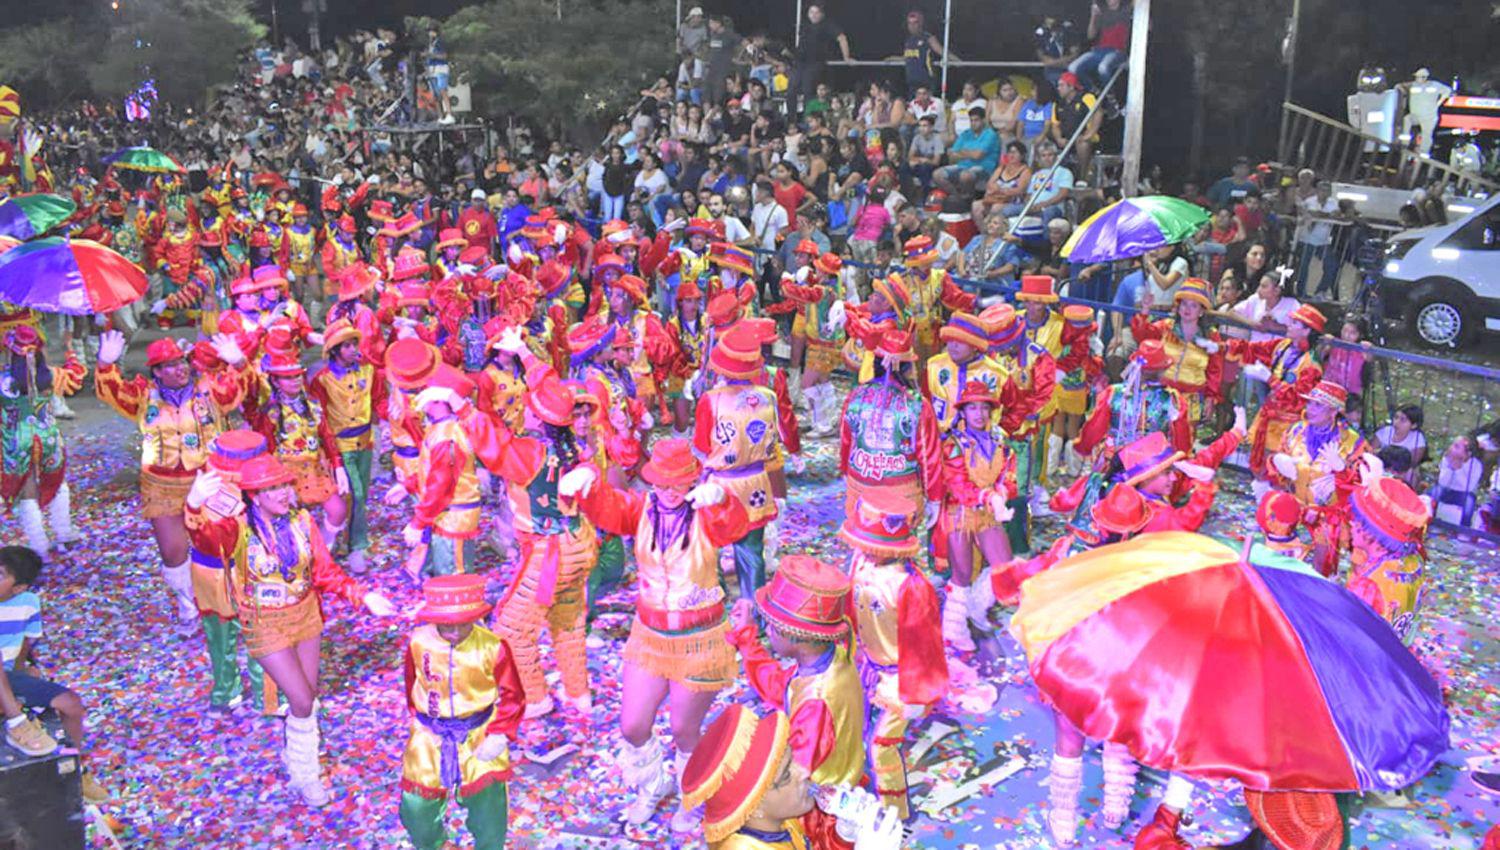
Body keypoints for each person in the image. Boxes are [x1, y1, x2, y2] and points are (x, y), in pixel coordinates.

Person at [561, 438, 750, 832]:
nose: (668, 493)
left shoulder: (704, 513)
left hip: (699, 639)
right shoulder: (641, 508)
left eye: (676, 485)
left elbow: (735, 525)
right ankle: (655, 783)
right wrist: (589, 481)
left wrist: (721, 500)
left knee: (683, 728)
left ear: (691, 482)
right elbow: (609, 507)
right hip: (649, 636)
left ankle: (692, 792)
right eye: (660, 485)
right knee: (632, 725)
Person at [185, 455, 395, 806]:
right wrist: (192, 504)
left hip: (307, 617)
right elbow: (206, 542)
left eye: (284, 484)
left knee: (307, 698)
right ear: (254, 495)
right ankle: (306, 774)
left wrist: (364, 595)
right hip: (265, 625)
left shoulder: (302, 521)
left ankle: (297, 760)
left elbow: (325, 573)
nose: (283, 493)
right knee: (300, 699)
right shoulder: (238, 528)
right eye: (272, 488)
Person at [473, 338, 600, 720]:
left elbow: (490, 444)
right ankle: (579, 694)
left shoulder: (530, 452)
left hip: (550, 552)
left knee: (512, 628)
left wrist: (460, 408)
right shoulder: (575, 445)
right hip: (578, 542)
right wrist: (527, 355)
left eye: (527, 406)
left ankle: (536, 698)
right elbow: (554, 393)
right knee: (567, 620)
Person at [95, 330, 250, 633]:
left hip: (207, 480)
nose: (179, 369)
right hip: (161, 485)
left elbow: (239, 391)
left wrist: (239, 362)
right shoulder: (143, 396)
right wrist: (104, 364)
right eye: (169, 365)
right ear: (156, 372)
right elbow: (113, 392)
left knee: (222, 544)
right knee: (173, 552)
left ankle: (232, 599)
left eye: (181, 362)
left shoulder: (208, 389)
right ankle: (188, 603)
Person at [398, 574, 525, 850]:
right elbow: (412, 683)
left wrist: (500, 733)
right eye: (447, 626)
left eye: (462, 625)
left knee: (489, 805)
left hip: (479, 732)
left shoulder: (493, 646)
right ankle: (436, 845)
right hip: (429, 734)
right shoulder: (419, 643)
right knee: (416, 806)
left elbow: (514, 695)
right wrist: (420, 722)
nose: (455, 633)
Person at [842, 489, 948, 818]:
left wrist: (919, 694)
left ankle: (895, 814)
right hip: (866, 666)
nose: (864, 549)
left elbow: (925, 646)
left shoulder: (911, 587)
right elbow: (849, 608)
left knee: (882, 746)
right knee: (854, 734)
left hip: (899, 678)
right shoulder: (859, 561)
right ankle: (857, 796)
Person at [725, 554, 867, 787]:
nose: (768, 632)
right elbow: (779, 686)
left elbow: (795, 774)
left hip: (817, 798)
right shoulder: (832, 657)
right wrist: (747, 637)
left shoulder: (817, 702)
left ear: (797, 637)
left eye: (773, 626)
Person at [680, 705, 902, 849]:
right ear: (753, 806)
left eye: (793, 759)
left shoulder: (778, 822)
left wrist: (845, 836)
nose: (804, 771)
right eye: (787, 775)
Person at [0, 546, 108, 802]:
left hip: (6, 678)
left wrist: (24, 671)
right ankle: (18, 724)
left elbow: (25, 643)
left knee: (71, 704)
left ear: (19, 588)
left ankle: (77, 772)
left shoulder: (29, 604)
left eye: (1, 575)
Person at [938, 381, 1016, 651]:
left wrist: (1003, 491)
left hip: (989, 513)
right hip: (960, 514)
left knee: (1003, 567)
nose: (979, 414)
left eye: (984, 408)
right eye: (973, 408)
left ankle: (976, 607)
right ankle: (954, 630)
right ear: (963, 412)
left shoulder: (1000, 439)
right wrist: (987, 496)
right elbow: (957, 484)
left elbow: (1009, 473)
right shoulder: (953, 444)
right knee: (960, 576)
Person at [0, 327, 85, 563]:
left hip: (17, 440)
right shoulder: (50, 375)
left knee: (28, 491)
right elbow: (76, 376)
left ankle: (39, 548)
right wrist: (70, 350)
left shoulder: (3, 380)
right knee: (57, 481)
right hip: (48, 438)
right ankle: (63, 532)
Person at [1269, 380, 1368, 577]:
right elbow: (1275, 469)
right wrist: (1280, 466)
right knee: (1280, 562)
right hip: (1294, 508)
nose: (1310, 409)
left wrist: (1341, 471)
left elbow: (1361, 486)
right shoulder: (1295, 431)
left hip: (1327, 517)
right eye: (1310, 403)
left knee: (1320, 570)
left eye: (1318, 405)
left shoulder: (1352, 443)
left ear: (1334, 411)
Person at [1228, 303, 1326, 499]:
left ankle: (1277, 510)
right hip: (1268, 416)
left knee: (1278, 471)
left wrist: (1269, 379)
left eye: (1295, 323)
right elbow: (1254, 349)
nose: (1289, 324)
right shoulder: (1283, 346)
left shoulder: (1311, 365)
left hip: (1288, 426)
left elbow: (1298, 399)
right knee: (1260, 464)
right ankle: (1263, 505)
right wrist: (1222, 346)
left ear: (1307, 331)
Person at [1346, 458, 1431, 645]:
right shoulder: (1414, 559)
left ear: (1373, 535)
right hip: (1400, 652)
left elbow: (1349, 632)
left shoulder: (1368, 586)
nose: (1351, 523)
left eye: (1359, 522)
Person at [1130, 278, 1224, 429]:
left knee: (1184, 443)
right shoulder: (1165, 327)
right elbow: (1142, 336)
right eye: (1184, 303)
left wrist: (1210, 397)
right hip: (1163, 394)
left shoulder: (1212, 337)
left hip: (1192, 398)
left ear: (1201, 311)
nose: (1187, 309)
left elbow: (1215, 370)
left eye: (1194, 305)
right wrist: (1145, 310)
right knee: (1157, 440)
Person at [794, 4, 852, 112]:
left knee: (808, 90)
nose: (814, 15)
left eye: (817, 12)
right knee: (792, 90)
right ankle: (792, 121)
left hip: (815, 63)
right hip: (800, 63)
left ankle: (808, 119)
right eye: (811, 12)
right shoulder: (805, 26)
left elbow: (842, 38)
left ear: (822, 14)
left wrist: (846, 57)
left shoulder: (827, 25)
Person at [933, 107, 998, 200]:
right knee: (937, 174)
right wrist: (968, 153)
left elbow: (977, 155)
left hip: (984, 168)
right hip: (963, 166)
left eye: (976, 120)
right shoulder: (966, 134)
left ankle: (968, 199)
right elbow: (952, 156)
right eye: (971, 120)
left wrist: (962, 152)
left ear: (983, 120)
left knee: (965, 175)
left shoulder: (990, 134)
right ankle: (957, 198)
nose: (973, 123)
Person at [1294, 179, 1342, 299]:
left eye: (1327, 190)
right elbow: (1309, 212)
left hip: (1323, 242)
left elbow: (1335, 214)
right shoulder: (1309, 201)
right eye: (1322, 190)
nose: (1324, 192)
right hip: (1306, 239)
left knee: (1331, 265)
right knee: (1303, 268)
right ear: (1317, 191)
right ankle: (1301, 293)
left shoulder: (1333, 202)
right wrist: (1324, 215)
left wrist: (1318, 214)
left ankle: (1320, 291)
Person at [1068, 0, 1131, 92]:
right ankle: (1094, 91)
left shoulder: (1126, 11)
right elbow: (1090, 36)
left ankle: (1110, 98)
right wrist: (1093, 16)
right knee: (1072, 68)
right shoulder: (1102, 13)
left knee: (1103, 68)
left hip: (1117, 51)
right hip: (1099, 50)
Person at [1049, 73, 1101, 183]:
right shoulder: (1058, 103)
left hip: (1086, 138)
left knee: (1082, 143)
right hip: (1066, 139)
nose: (1058, 88)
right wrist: (1058, 138)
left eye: (1061, 85)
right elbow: (1055, 125)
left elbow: (1098, 112)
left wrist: (1090, 133)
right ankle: (1050, 180)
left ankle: (1083, 178)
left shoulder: (1086, 97)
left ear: (1071, 87)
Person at [1430, 435, 1484, 528]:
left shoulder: (1476, 465)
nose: (1451, 448)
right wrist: (1450, 468)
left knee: (1469, 501)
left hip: (1462, 494)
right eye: (1453, 445)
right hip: (1446, 490)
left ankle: (1464, 528)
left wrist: (1457, 469)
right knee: (1433, 492)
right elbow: (1442, 482)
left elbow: (1468, 488)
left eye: (1456, 446)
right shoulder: (1447, 458)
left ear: (1468, 453)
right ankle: (1430, 520)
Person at [1373, 403, 1427, 488]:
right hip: (1381, 465)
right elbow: (1370, 452)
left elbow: (1411, 463)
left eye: (1403, 420)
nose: (1396, 422)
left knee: (1411, 474)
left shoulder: (1417, 439)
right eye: (1396, 417)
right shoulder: (1384, 432)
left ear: (1413, 425)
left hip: (1400, 470)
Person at [901, 10, 951, 96]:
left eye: (915, 23)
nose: (912, 26)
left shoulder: (928, 38)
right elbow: (907, 57)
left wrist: (958, 61)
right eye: (909, 23)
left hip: (925, 83)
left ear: (921, 24)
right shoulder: (908, 41)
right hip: (912, 83)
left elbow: (942, 51)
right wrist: (891, 59)